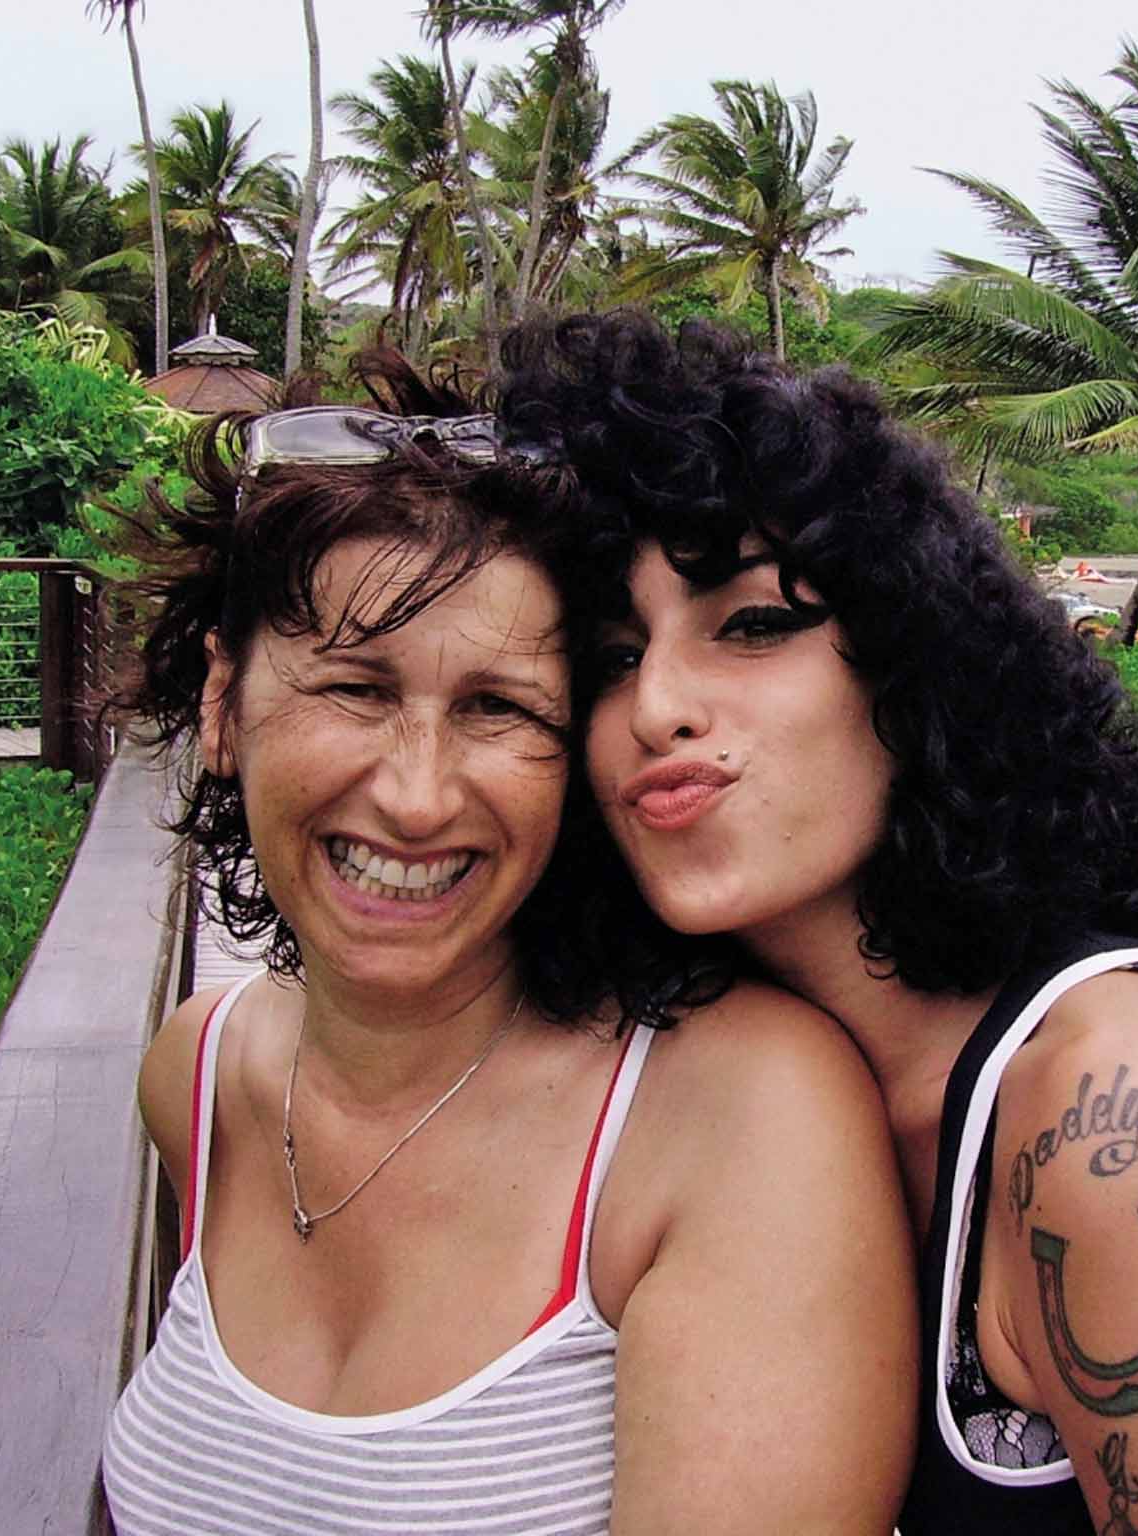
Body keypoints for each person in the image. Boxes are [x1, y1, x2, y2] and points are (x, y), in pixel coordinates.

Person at [499, 312, 1138, 1536]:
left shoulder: (1107, 1111)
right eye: (611, 658)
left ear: (910, 659)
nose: (659, 707)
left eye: (752, 624)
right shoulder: (733, 1077)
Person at [97, 358, 916, 1535]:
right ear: (222, 707)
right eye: (354, 689)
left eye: (499, 709)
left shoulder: (731, 1118)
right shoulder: (200, 1078)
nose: (419, 798)